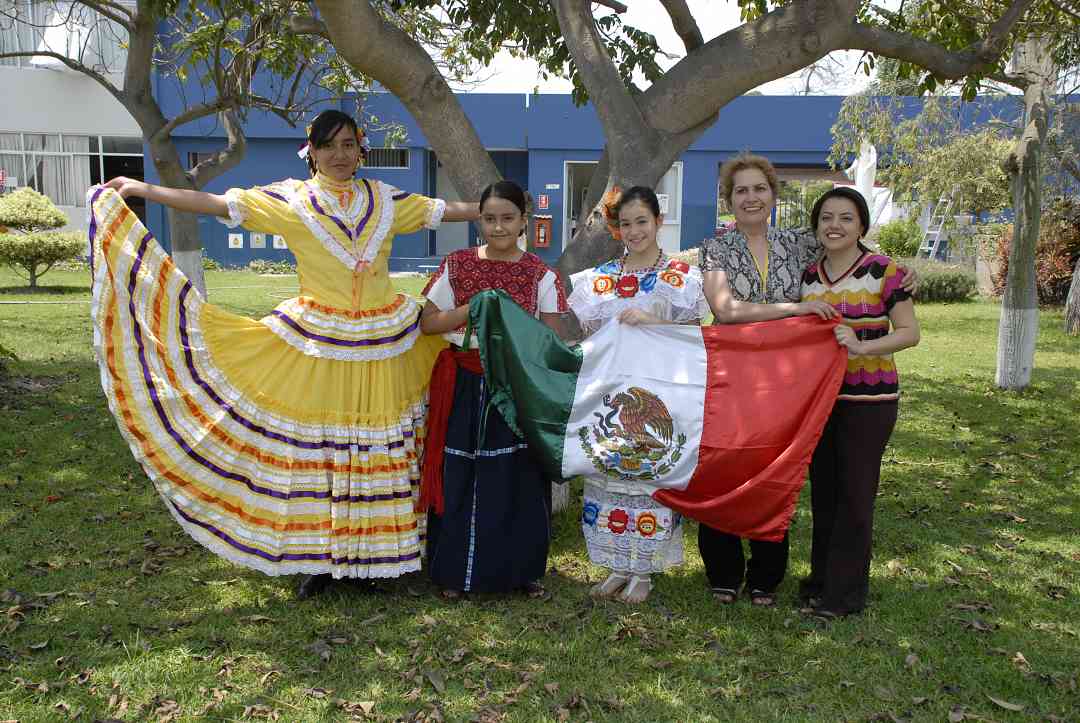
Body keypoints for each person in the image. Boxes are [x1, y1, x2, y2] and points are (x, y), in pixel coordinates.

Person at [93, 109, 478, 599]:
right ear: (311, 151)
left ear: (361, 149)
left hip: (387, 343)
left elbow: (445, 211)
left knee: (379, 448)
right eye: (328, 146)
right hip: (319, 343)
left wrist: (495, 213)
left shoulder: (385, 198)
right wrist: (142, 189)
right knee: (322, 453)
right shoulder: (291, 200)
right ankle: (322, 560)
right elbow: (213, 203)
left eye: (348, 145)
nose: (339, 156)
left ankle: (380, 558)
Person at [699, 152, 918, 607]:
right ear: (729, 199)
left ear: (774, 195)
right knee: (728, 465)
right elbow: (726, 310)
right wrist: (795, 308)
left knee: (776, 469)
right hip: (736, 377)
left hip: (792, 382)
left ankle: (766, 576)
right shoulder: (715, 249)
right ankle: (724, 569)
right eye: (741, 190)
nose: (751, 197)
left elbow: (852, 250)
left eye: (760, 188)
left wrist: (902, 271)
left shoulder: (799, 243)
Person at [418, 180, 568, 598]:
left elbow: (549, 344)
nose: (498, 227)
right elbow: (428, 323)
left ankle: (518, 572)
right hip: (463, 381)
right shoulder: (458, 264)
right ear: (479, 220)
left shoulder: (543, 276)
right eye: (489, 219)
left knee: (516, 476)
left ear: (524, 221)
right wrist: (474, 306)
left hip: (516, 388)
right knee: (460, 473)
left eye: (507, 218)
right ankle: (454, 573)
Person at [568, 186, 708, 604]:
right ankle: (616, 563)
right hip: (611, 395)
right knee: (609, 474)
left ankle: (643, 570)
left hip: (659, 394)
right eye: (625, 223)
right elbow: (586, 335)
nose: (634, 231)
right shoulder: (600, 280)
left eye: (641, 221)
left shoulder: (682, 280)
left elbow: (696, 336)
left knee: (649, 476)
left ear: (658, 222)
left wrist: (653, 322)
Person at [798, 187, 919, 618]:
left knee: (855, 494)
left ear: (862, 226)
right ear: (816, 227)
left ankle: (843, 597)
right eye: (826, 217)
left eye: (846, 218)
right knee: (825, 494)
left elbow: (909, 332)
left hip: (869, 400)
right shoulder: (809, 276)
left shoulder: (883, 271)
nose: (835, 225)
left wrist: (862, 347)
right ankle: (820, 582)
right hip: (821, 401)